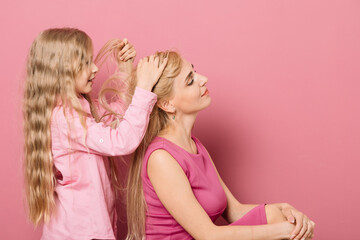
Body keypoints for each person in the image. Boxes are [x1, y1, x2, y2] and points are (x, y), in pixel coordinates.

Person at [126, 51, 315, 240]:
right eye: (190, 81)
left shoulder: (195, 145)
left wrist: (284, 210)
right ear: (167, 104)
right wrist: (285, 230)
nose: (203, 79)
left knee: (275, 216)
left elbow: (235, 211)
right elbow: (208, 235)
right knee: (281, 225)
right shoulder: (161, 158)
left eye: (195, 72)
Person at [23, 28, 167, 240]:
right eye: (86, 63)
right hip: (78, 233)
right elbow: (121, 141)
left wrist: (125, 69)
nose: (96, 68)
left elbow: (119, 115)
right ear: (61, 70)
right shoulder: (65, 118)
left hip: (89, 229)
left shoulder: (79, 106)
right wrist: (144, 88)